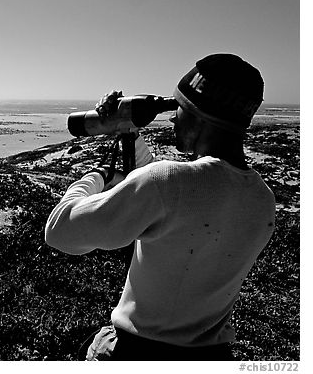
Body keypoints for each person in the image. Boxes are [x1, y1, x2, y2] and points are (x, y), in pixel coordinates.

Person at [44, 53, 276, 361]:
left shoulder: (168, 185)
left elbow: (59, 231)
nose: (172, 117)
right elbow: (181, 197)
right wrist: (128, 132)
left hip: (137, 353)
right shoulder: (262, 199)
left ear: (200, 115)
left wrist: (94, 176)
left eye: (180, 108)